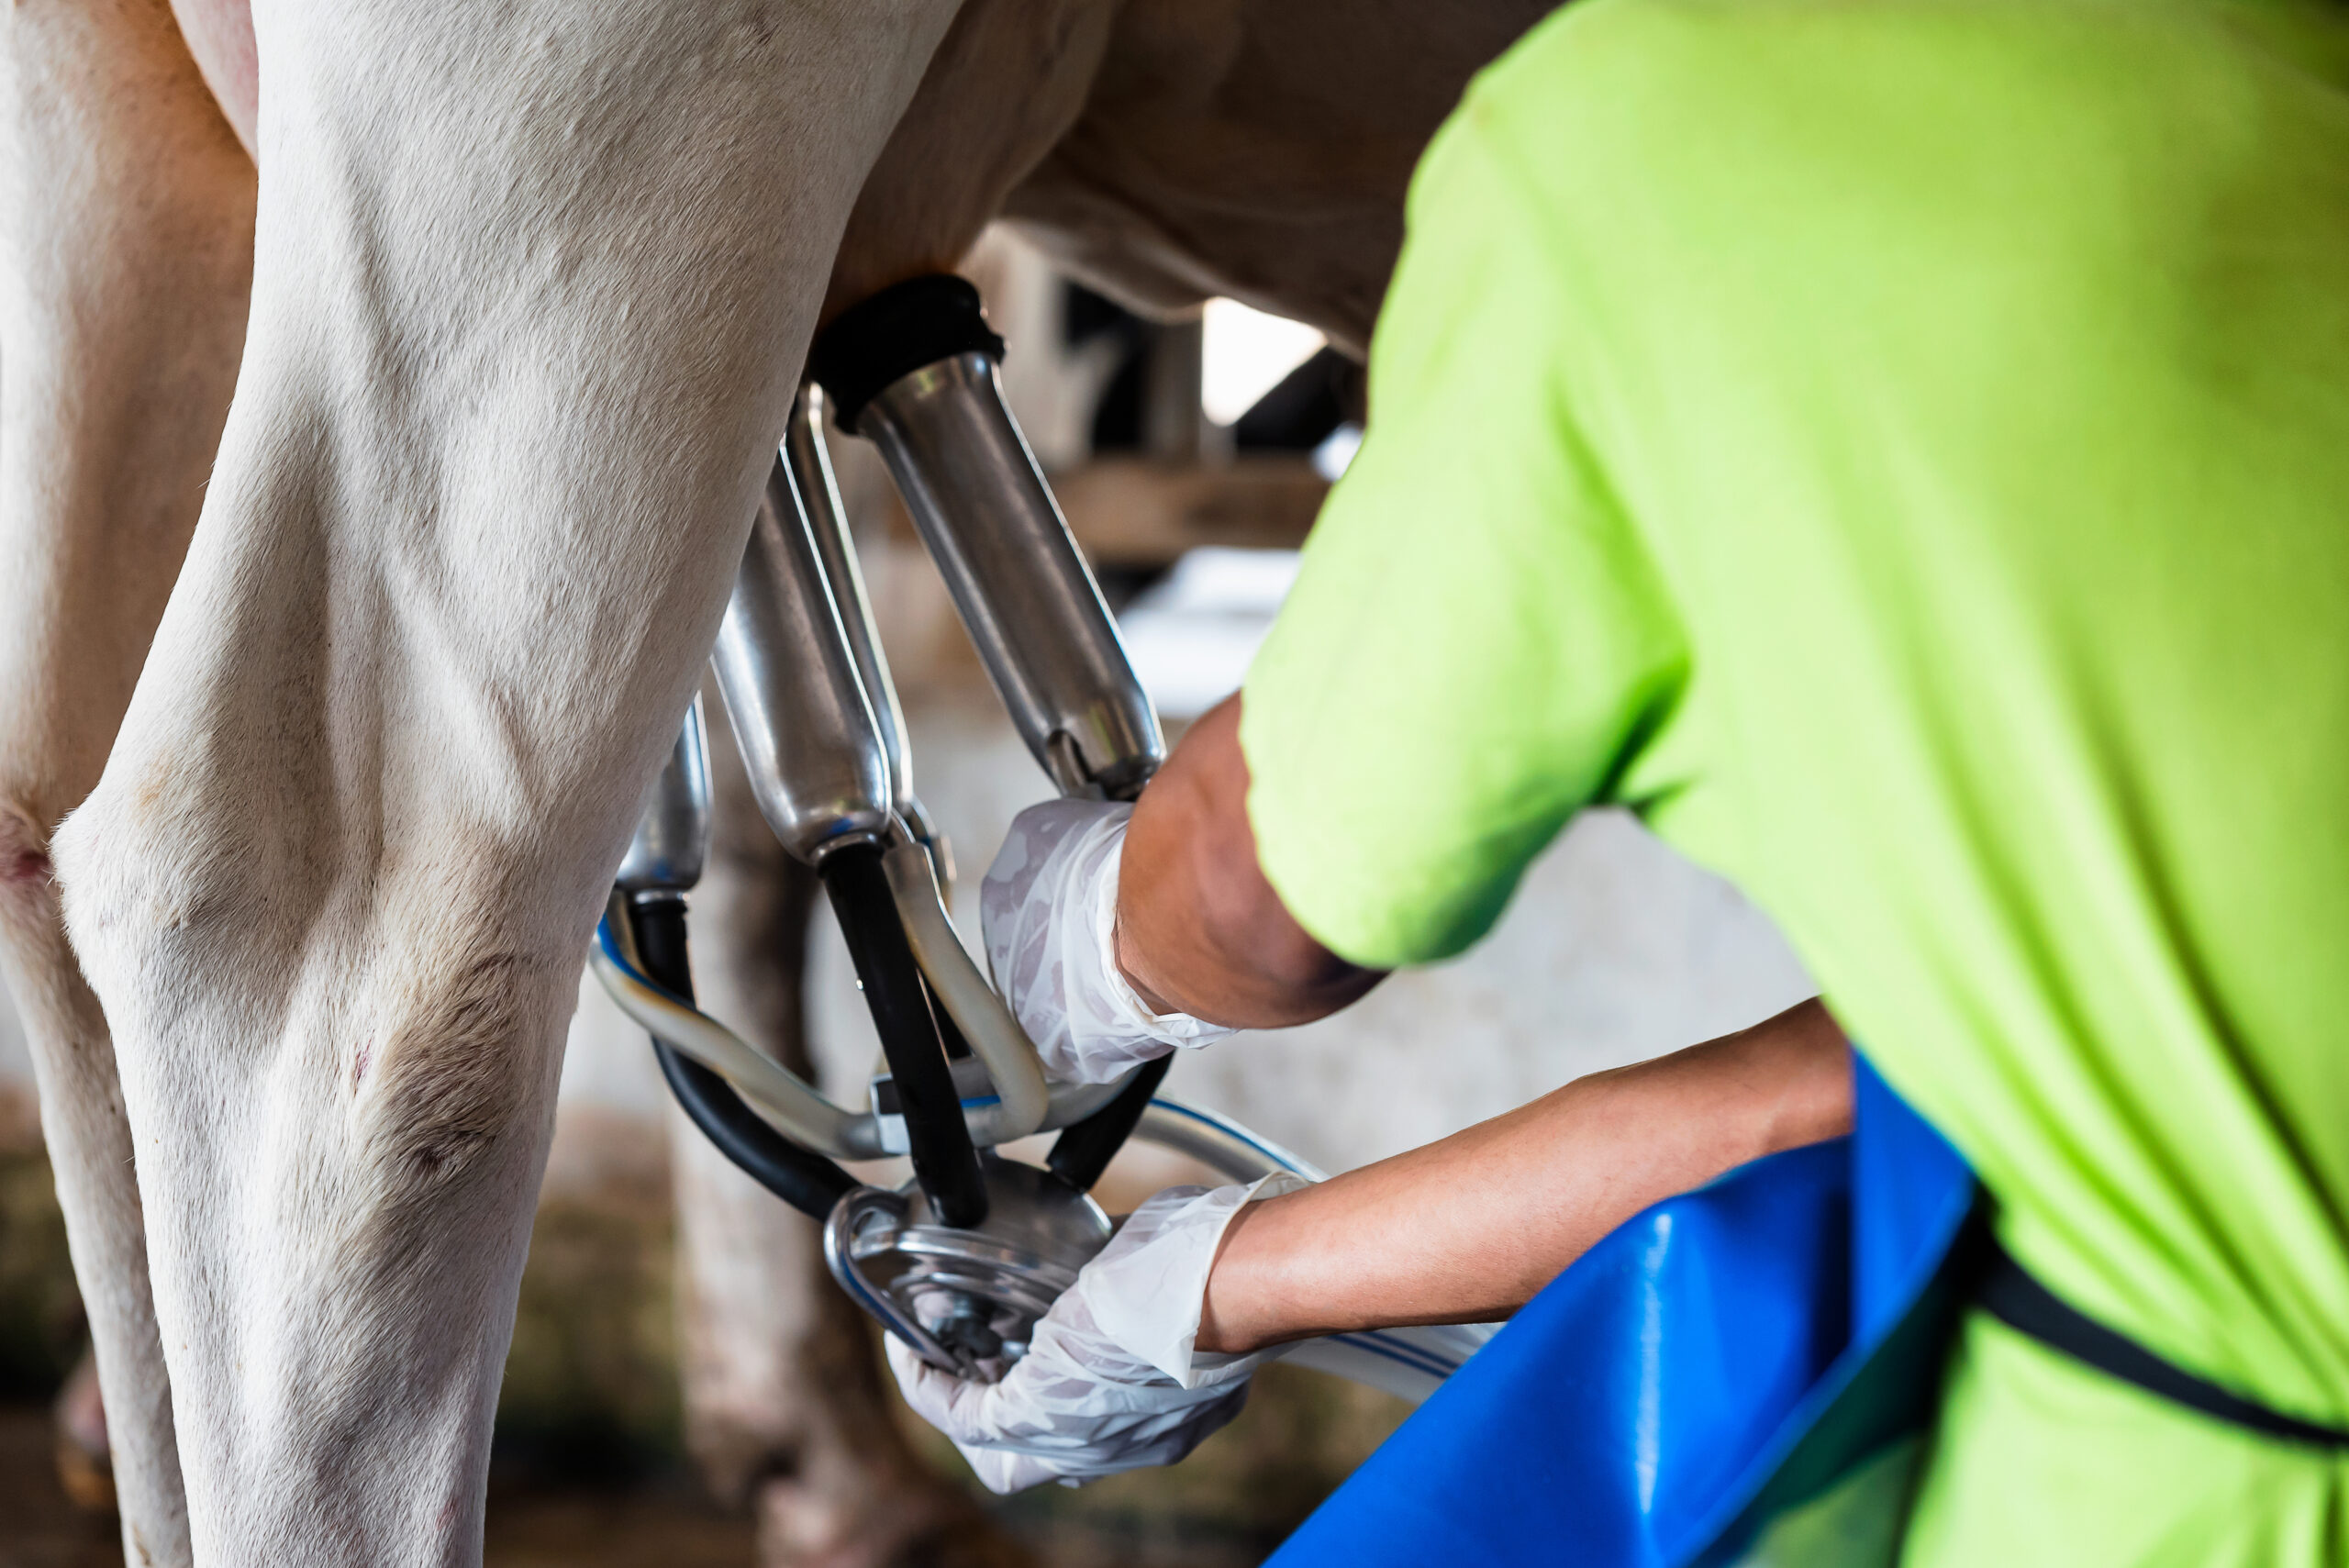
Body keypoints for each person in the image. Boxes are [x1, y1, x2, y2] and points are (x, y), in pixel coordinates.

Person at [890, 0, 2349, 1558]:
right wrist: (1227, 1278)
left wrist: (1104, 944)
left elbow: (1260, 910)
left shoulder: (1643, 137)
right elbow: (1886, 1080)